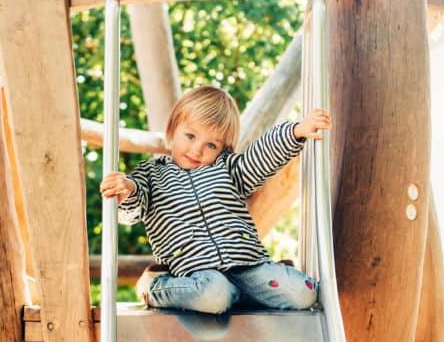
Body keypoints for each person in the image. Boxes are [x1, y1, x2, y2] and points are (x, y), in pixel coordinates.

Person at [99, 85, 332, 314]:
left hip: (246, 265)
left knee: (305, 292)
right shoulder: (151, 175)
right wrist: (127, 189)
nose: (197, 150)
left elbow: (261, 156)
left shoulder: (228, 170)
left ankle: (247, 292)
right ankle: (155, 288)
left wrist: (296, 131)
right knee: (214, 295)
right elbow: (132, 210)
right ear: (172, 130)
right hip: (197, 272)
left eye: (211, 144)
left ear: (222, 149)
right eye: (190, 136)